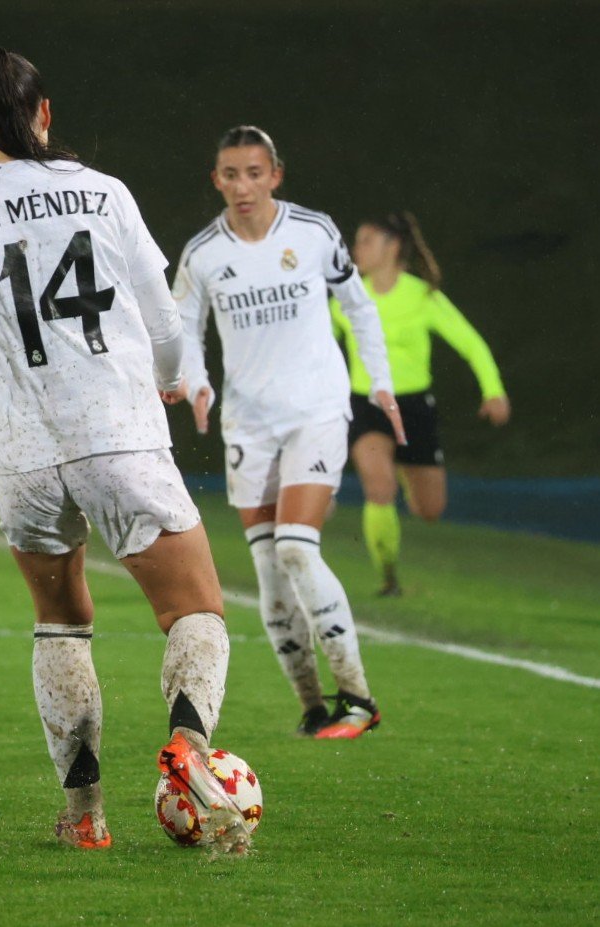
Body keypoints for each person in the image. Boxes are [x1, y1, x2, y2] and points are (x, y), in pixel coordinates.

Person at [0, 47, 252, 854]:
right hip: (114, 429)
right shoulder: (104, 192)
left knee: (60, 621)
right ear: (45, 113)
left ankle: (85, 813)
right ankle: (188, 744)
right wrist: (170, 376)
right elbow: (162, 319)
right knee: (194, 606)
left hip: (20, 447)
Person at [174, 126, 405, 740]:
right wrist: (196, 383)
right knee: (271, 575)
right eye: (231, 174)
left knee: (298, 548)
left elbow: (357, 307)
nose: (243, 186)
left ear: (275, 175)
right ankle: (312, 707)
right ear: (216, 180)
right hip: (248, 424)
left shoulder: (313, 231)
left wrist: (380, 382)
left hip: (316, 411)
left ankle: (359, 698)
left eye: (255, 173)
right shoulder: (202, 254)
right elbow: (184, 330)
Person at [331, 212, 510, 596]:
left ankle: (402, 467)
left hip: (414, 408)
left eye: (366, 241)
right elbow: (317, 347)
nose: (355, 249)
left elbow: (471, 343)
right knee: (379, 488)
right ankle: (388, 578)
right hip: (366, 405)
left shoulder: (422, 297)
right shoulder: (347, 298)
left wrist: (493, 390)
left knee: (429, 510)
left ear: (392, 247)